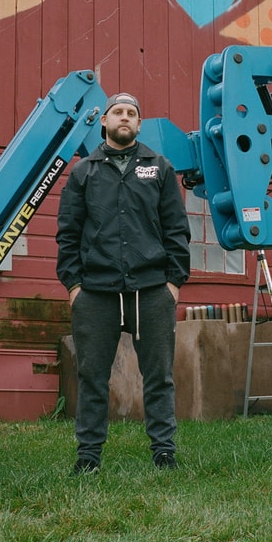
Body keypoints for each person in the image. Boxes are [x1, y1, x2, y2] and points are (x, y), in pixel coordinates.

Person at [56, 92, 191, 474]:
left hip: (151, 289)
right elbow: (68, 232)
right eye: (118, 112)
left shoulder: (159, 168)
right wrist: (74, 286)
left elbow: (176, 229)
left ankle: (164, 453)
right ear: (104, 121)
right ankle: (88, 458)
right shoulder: (84, 172)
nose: (125, 118)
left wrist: (174, 283)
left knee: (159, 377)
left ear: (139, 124)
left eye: (132, 113)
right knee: (92, 377)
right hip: (96, 291)